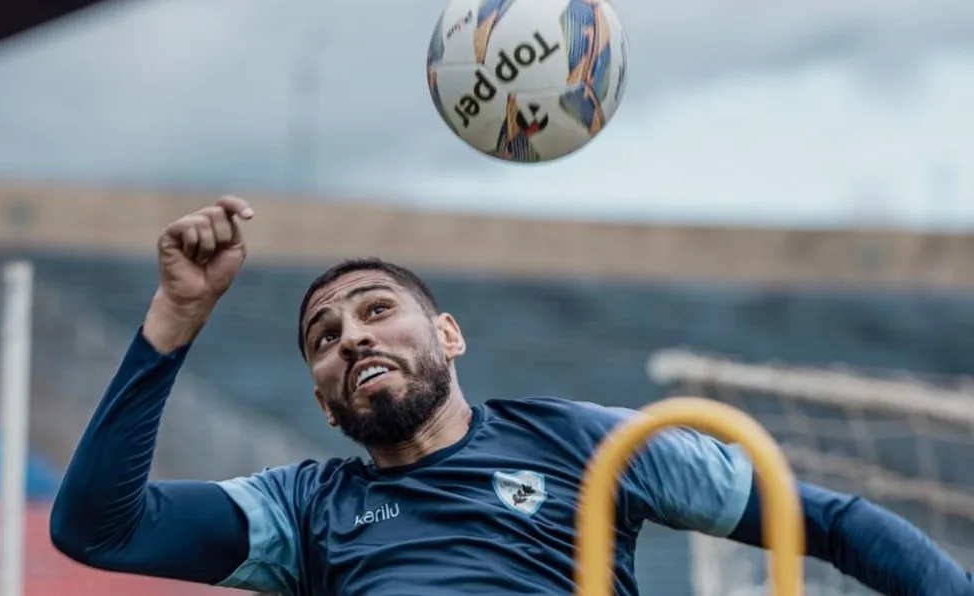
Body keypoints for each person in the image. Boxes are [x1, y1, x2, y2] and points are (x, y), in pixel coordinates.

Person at [50, 196, 972, 595]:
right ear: (327, 405)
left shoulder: (593, 447)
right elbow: (99, 529)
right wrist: (177, 315)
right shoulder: (303, 509)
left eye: (377, 310)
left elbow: (837, 523)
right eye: (323, 340)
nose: (353, 336)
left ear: (448, 336)